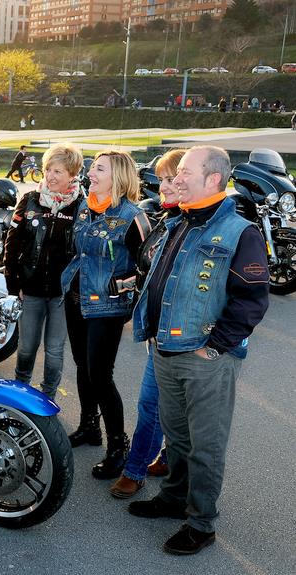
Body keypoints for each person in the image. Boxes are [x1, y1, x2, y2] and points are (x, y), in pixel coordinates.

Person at [129, 146, 270, 555]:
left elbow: (252, 300)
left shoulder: (240, 232)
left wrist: (215, 348)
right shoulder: (179, 221)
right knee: (176, 437)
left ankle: (202, 523)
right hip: (166, 350)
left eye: (185, 172)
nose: (174, 180)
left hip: (206, 358)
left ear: (212, 179)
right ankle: (174, 499)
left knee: (205, 446)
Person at [60, 150, 151, 479]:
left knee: (100, 375)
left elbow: (148, 267)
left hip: (106, 308)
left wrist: (124, 289)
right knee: (84, 369)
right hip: (76, 301)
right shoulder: (86, 206)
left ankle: (117, 446)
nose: (91, 173)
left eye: (99, 169)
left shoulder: (133, 216)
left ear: (119, 176)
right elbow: (78, 251)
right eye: (92, 168)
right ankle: (89, 427)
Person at [108, 148, 185, 499]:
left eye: (172, 178)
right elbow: (148, 270)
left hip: (184, 337)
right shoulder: (167, 220)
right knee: (161, 405)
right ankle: (162, 459)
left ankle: (136, 469)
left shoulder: (199, 224)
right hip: (159, 331)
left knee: (157, 405)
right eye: (162, 179)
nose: (164, 185)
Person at [4, 144, 83, 400]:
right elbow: (12, 243)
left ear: (72, 174)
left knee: (55, 350)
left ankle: (48, 398)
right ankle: (21, 394)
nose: (50, 176)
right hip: (31, 290)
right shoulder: (29, 200)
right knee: (26, 348)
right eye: (48, 169)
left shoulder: (82, 206)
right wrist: (13, 287)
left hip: (62, 294)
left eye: (58, 171)